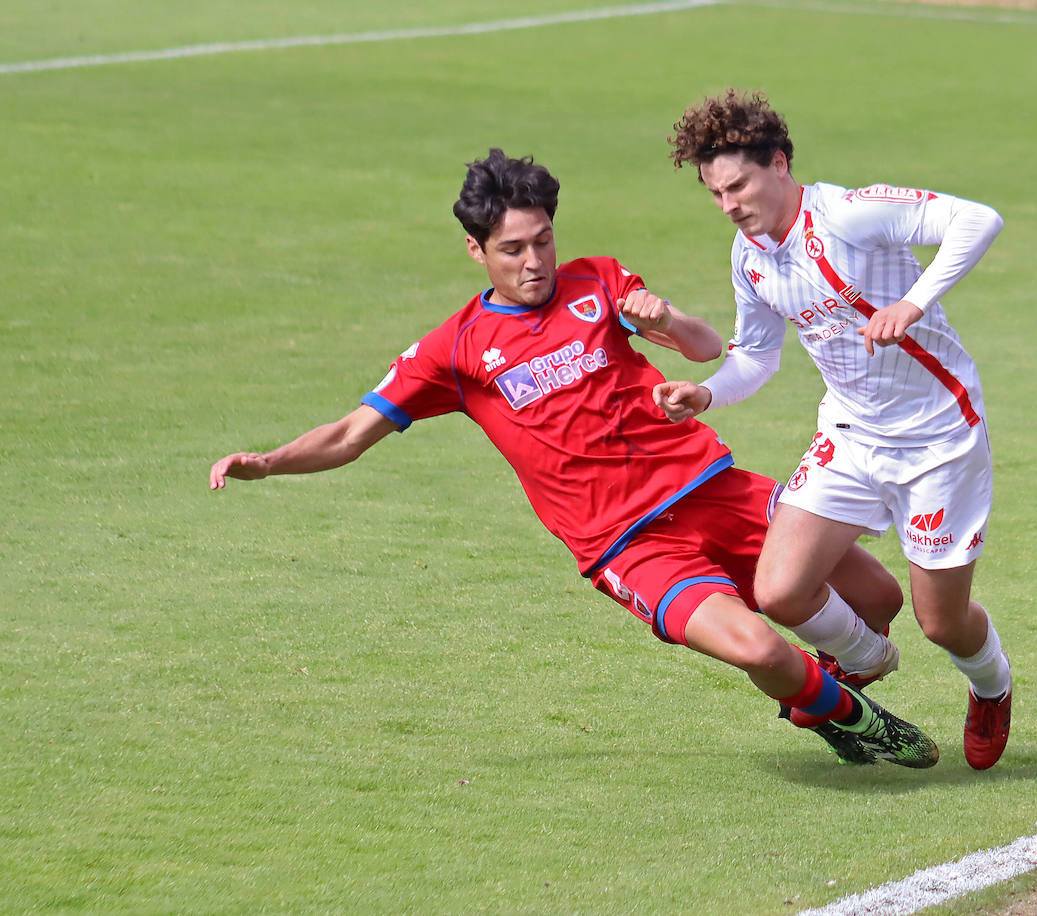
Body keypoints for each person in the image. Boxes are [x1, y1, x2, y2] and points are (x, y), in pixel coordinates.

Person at [209, 148, 938, 768]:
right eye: (513, 249)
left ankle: (818, 704)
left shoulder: (597, 280)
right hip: (629, 543)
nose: (534, 262)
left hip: (713, 487)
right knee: (759, 650)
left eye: (543, 241)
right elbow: (348, 434)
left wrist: (667, 319)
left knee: (880, 600)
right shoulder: (455, 350)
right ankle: (857, 721)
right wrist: (270, 463)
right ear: (476, 251)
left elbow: (708, 349)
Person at [659, 90, 1013, 770]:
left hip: (938, 436)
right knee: (780, 592)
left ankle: (991, 687)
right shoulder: (750, 255)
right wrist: (705, 391)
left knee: (943, 621)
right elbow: (757, 354)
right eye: (715, 193)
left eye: (738, 185)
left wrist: (912, 303)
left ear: (780, 163)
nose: (729, 205)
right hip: (851, 434)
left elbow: (978, 220)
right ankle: (867, 658)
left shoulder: (850, 211)